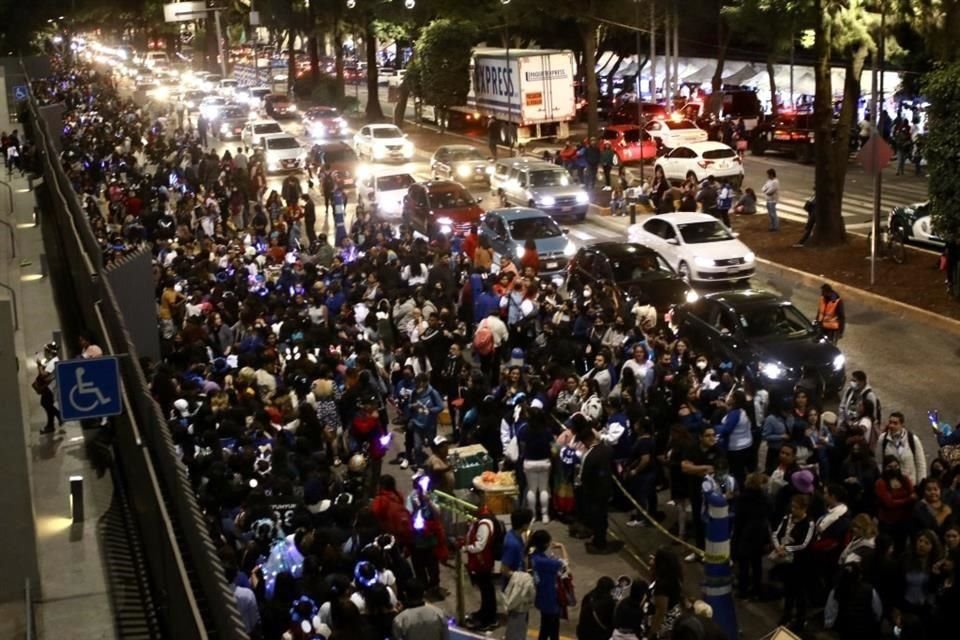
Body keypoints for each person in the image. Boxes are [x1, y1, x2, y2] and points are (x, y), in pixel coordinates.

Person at [771, 494, 816, 632]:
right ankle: (787, 614)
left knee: (800, 592)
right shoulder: (787, 518)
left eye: (796, 508)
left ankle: (801, 619)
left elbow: (804, 544)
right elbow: (776, 533)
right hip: (785, 561)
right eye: (792, 507)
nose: (793, 510)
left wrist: (786, 549)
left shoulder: (809, 523)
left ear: (804, 508)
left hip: (801, 563)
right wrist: (778, 546)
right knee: (788, 589)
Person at [681, 426, 723, 560]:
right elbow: (685, 468)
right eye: (708, 435)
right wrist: (704, 467)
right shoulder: (692, 449)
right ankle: (699, 551)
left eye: (713, 435)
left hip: (713, 494)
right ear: (700, 437)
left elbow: (716, 470)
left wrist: (695, 468)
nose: (712, 438)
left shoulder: (718, 450)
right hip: (695, 491)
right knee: (698, 521)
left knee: (712, 523)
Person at [577, 425, 615, 554]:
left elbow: (583, 476)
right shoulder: (607, 450)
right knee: (603, 517)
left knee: (597, 518)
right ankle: (601, 540)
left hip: (593, 492)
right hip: (606, 489)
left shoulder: (589, 456)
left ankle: (599, 543)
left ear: (586, 440)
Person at [824, 561, 883, 639]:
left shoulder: (836, 591)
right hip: (867, 630)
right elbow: (878, 612)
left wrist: (829, 626)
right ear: (859, 576)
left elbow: (830, 614)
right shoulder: (870, 590)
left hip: (846, 631)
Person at [463, 506, 499, 631]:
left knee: (487, 589)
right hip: (480, 561)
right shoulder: (479, 519)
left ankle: (490, 618)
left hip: (483, 562)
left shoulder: (484, 524)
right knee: (484, 589)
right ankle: (484, 611)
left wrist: (466, 548)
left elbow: (480, 546)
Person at [529, 529, 568, 640]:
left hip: (541, 597)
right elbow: (565, 564)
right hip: (550, 599)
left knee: (545, 628)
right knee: (553, 630)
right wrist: (562, 547)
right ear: (546, 544)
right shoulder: (546, 562)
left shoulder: (535, 557)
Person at [875, 412, 927, 485]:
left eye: (895, 423)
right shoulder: (883, 439)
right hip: (891, 484)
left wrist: (921, 484)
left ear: (902, 425)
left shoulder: (912, 439)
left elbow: (920, 464)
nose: (891, 425)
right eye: (890, 422)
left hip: (911, 484)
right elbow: (879, 461)